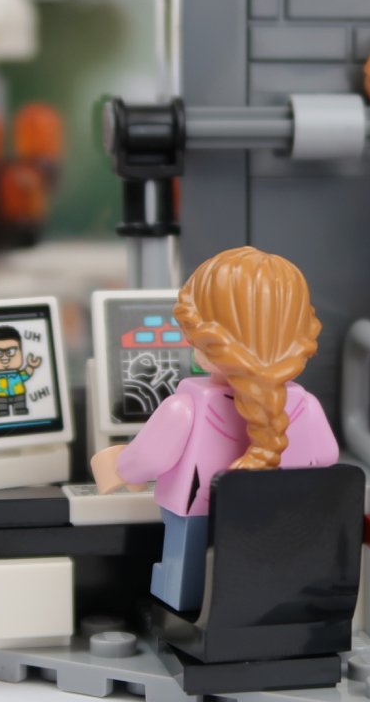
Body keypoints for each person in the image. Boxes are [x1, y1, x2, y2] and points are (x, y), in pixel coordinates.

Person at [91, 246, 339, 612]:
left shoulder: (185, 407)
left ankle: (181, 621)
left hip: (197, 514)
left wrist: (118, 466)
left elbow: (146, 460)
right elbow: (327, 458)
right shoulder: (306, 405)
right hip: (286, 523)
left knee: (187, 583)